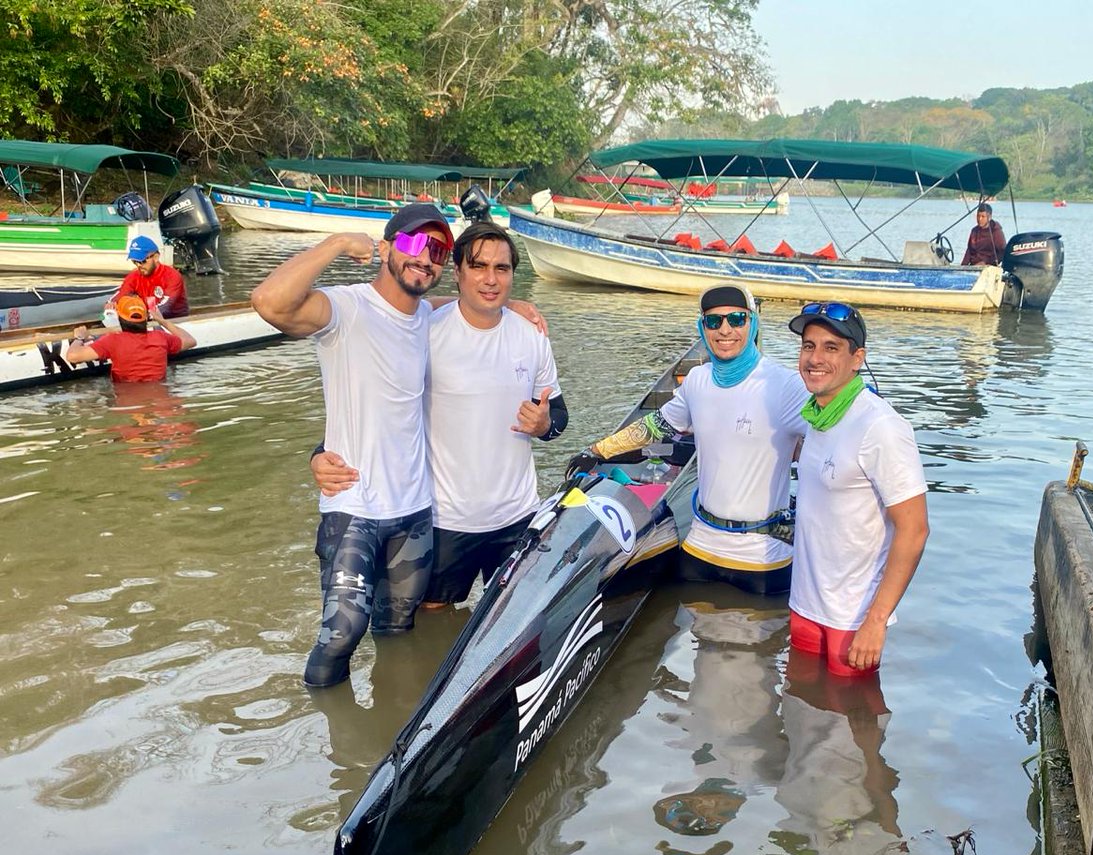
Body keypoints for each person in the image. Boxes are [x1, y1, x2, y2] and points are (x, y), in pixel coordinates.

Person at [250, 203, 457, 688]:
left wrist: (518, 307)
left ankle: (391, 734)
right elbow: (269, 302)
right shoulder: (346, 307)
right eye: (412, 243)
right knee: (341, 632)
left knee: (398, 627)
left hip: (414, 511)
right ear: (386, 248)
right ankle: (336, 754)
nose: (425, 258)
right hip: (354, 507)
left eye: (438, 250)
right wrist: (337, 244)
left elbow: (468, 306)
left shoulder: (428, 316)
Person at [311, 221, 567, 611]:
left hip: (517, 515)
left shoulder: (531, 335)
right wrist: (319, 453)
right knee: (430, 625)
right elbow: (379, 408)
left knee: (512, 619)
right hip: (444, 518)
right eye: (479, 266)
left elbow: (560, 416)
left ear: (514, 274)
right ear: (458, 271)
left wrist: (545, 425)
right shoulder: (423, 331)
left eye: (502, 269)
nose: (491, 279)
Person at [571, 284, 809, 595]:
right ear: (702, 328)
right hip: (700, 547)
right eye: (713, 322)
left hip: (763, 558)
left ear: (752, 324)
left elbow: (833, 439)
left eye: (736, 320)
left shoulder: (785, 385)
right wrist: (597, 450)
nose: (725, 330)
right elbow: (657, 426)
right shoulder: (697, 380)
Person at [786, 301, 928, 676]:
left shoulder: (880, 426)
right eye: (808, 346)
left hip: (853, 616)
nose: (815, 358)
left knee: (851, 721)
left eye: (831, 348)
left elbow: (914, 530)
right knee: (801, 707)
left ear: (857, 358)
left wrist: (876, 621)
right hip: (805, 602)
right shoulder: (816, 415)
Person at [66, 293, 196, 383]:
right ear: (145, 318)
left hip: (126, 396)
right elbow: (190, 341)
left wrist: (79, 337)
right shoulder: (161, 338)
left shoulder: (112, 341)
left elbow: (73, 356)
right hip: (159, 392)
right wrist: (163, 321)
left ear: (120, 318)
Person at [113, 235, 190, 318]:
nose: (138, 265)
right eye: (135, 261)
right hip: (148, 317)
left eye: (142, 261)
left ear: (156, 257)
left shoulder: (172, 276)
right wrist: (112, 305)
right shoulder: (133, 276)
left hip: (174, 319)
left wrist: (144, 317)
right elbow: (121, 295)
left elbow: (166, 306)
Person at [960, 202, 1006, 267]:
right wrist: (962, 267)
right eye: (978, 216)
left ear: (989, 217)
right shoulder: (974, 231)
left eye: (983, 216)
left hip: (989, 266)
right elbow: (969, 251)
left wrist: (986, 262)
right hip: (973, 266)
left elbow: (1002, 252)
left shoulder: (995, 231)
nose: (979, 219)